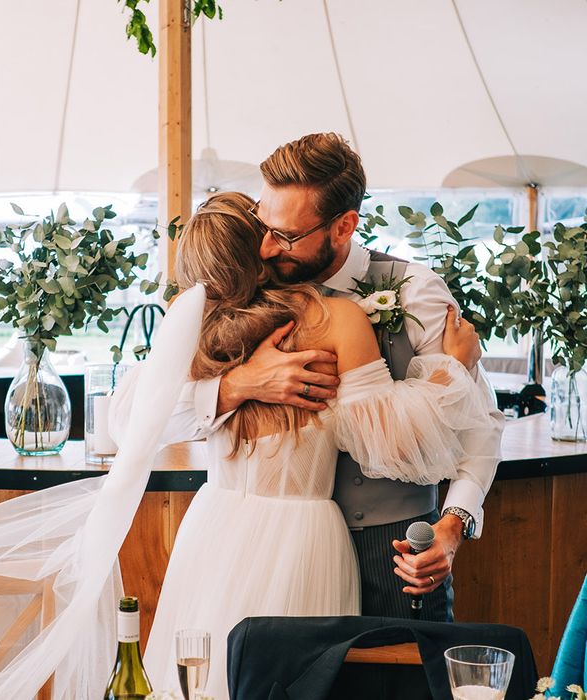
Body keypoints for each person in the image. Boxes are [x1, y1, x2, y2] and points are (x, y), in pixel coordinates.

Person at [108, 191, 502, 699]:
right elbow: (396, 446)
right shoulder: (328, 319)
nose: (276, 243)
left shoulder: (203, 327)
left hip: (249, 532)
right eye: (269, 231)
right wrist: (455, 368)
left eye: (285, 232)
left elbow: (481, 427)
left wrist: (455, 521)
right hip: (299, 538)